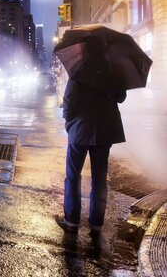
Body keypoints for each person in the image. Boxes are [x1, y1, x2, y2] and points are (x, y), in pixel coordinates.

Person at [55, 36, 127, 239]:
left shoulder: (79, 70)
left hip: (80, 129)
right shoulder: (113, 69)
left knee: (73, 175)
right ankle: (96, 224)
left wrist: (69, 123)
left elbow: (69, 102)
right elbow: (121, 97)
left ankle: (72, 221)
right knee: (99, 178)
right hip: (105, 130)